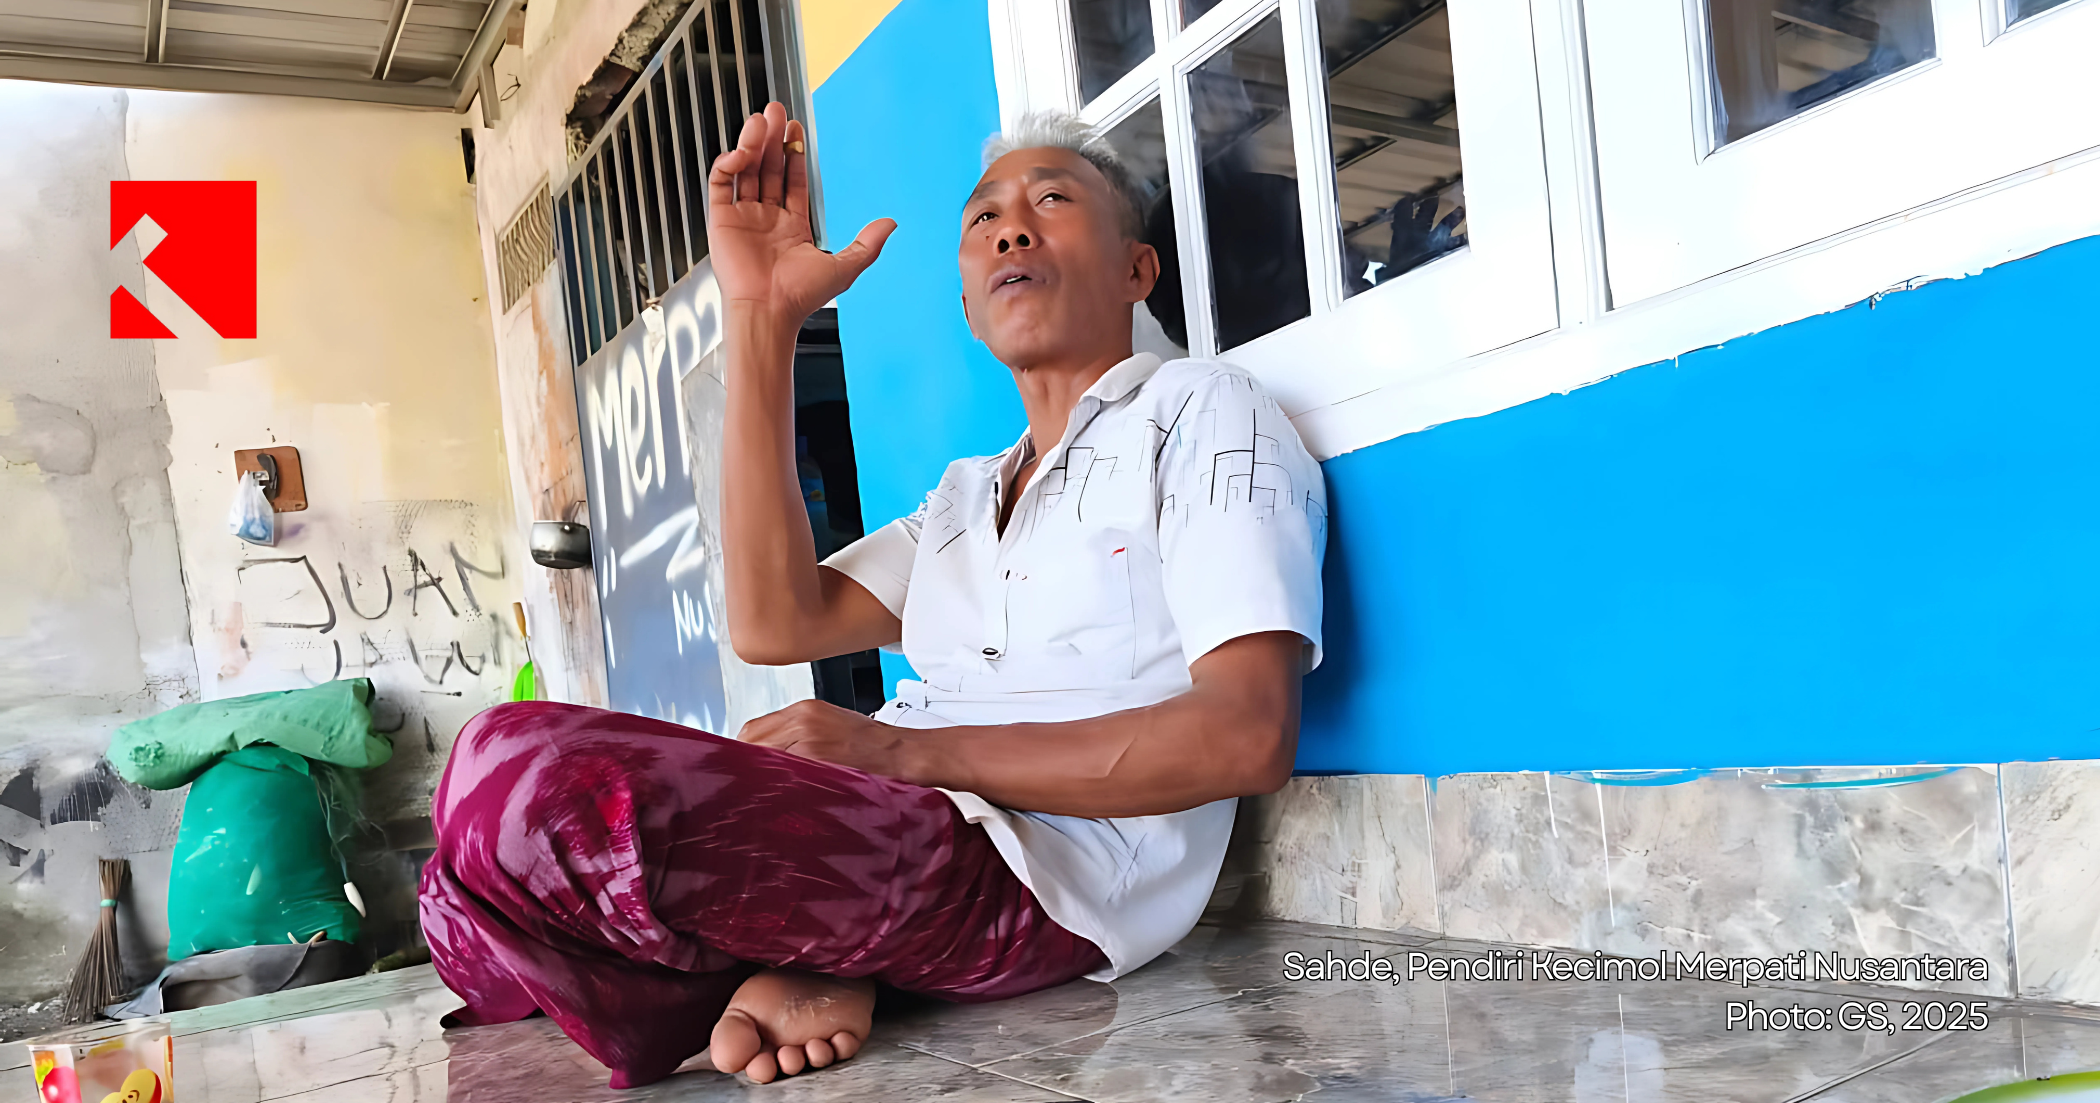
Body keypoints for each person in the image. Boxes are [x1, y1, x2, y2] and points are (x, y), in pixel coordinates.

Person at [417, 101, 1327, 1089]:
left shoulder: (1202, 412)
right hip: (887, 820)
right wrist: (763, 317)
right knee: (457, 860)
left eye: (1053, 201)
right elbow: (776, 620)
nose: (1012, 229)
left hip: (1040, 877)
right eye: (985, 220)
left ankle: (779, 956)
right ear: (971, 298)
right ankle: (821, 952)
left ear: (1135, 270)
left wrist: (894, 750)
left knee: (518, 791)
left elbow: (1246, 734)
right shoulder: (966, 494)